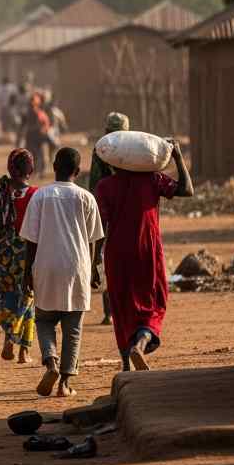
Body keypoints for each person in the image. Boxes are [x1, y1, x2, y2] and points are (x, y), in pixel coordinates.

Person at [96, 138, 194, 371]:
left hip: (116, 253)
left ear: (113, 162)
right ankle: (139, 345)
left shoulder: (104, 186)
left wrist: (94, 261)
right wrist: (178, 158)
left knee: (121, 306)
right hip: (147, 249)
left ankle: (125, 366)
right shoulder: (153, 179)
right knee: (155, 302)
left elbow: (100, 228)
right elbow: (187, 190)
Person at [20, 147, 104, 398]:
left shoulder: (40, 196)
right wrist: (94, 268)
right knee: (73, 327)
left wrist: (27, 271)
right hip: (77, 265)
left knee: (44, 320)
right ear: (78, 172)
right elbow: (94, 239)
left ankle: (51, 361)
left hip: (46, 265)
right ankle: (65, 383)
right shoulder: (86, 198)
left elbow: (31, 240)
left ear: (54, 166)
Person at [0, 149, 39, 364]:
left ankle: (12, 337)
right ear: (31, 170)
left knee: (5, 295)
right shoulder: (36, 195)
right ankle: (21, 346)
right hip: (28, 250)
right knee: (28, 296)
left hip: (2, 252)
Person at [87, 112, 130, 325]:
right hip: (128, 208)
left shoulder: (100, 149)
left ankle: (110, 311)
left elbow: (95, 182)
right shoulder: (133, 149)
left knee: (104, 258)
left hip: (106, 208)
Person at [21, 91, 51, 177]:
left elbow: (46, 124)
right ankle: (37, 171)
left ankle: (40, 171)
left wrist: (42, 129)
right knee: (34, 155)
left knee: (38, 154)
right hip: (33, 136)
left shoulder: (38, 113)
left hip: (37, 136)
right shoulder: (34, 113)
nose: (31, 105)